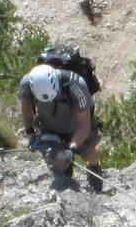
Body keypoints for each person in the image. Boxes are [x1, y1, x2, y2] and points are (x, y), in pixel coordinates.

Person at [18, 47, 103, 192]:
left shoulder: (76, 84)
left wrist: (71, 149)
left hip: (76, 127)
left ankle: (94, 168)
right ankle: (66, 180)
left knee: (91, 156)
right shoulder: (27, 84)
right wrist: (31, 134)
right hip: (49, 125)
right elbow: (27, 109)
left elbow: (84, 125)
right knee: (57, 163)